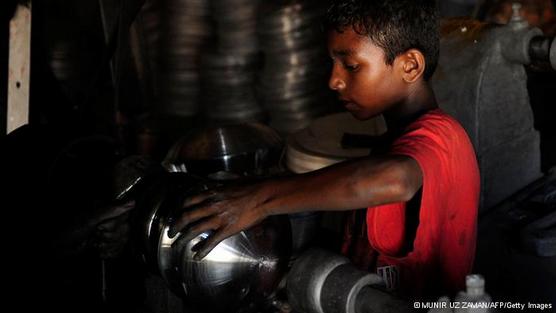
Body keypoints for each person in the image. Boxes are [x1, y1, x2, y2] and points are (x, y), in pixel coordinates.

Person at [168, 0, 480, 300]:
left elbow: (395, 179)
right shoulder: (393, 142)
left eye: (351, 65)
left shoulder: (441, 136)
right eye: (332, 64)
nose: (333, 81)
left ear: (410, 66)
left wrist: (258, 200)